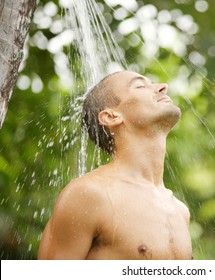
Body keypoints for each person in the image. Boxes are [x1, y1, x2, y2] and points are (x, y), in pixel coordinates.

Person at [38, 71, 192, 260]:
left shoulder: (180, 211)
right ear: (111, 117)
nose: (162, 87)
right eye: (140, 86)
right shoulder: (89, 195)